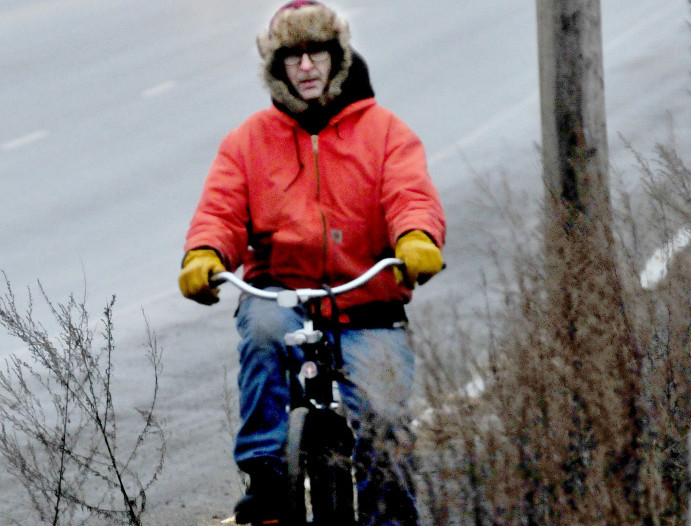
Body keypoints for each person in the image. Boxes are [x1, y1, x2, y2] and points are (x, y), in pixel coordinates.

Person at [178, 2, 446, 524]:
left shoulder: (385, 132)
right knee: (261, 330)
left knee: (386, 425)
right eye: (292, 57)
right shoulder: (249, 141)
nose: (305, 67)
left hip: (369, 301)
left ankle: (387, 515)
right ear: (275, 68)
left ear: (336, 58)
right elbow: (220, 211)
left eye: (315, 53)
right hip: (285, 293)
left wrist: (416, 237)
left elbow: (411, 194)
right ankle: (268, 478)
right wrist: (205, 253)